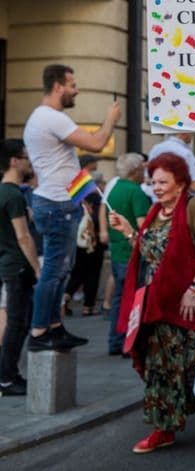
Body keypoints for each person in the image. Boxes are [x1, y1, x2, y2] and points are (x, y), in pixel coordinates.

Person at [110, 153, 195, 454]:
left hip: (189, 303)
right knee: (160, 369)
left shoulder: (194, 206)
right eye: (153, 182)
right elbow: (150, 252)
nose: (156, 187)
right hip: (157, 304)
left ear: (180, 182)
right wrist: (128, 231)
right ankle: (163, 429)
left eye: (163, 182)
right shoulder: (155, 212)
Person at [23, 63, 120, 351]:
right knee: (55, 270)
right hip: (55, 205)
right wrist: (111, 118)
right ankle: (40, 332)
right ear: (57, 87)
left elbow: (63, 167)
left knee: (62, 270)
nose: (76, 90)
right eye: (72, 84)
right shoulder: (51, 118)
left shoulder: (43, 118)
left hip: (59, 203)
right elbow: (97, 143)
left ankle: (53, 326)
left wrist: (82, 203)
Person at [99, 152, 150, 355]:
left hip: (117, 250)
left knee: (119, 298)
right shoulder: (135, 191)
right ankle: (129, 343)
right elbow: (142, 224)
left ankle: (115, 341)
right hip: (132, 252)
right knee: (133, 299)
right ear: (136, 171)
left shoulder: (115, 187)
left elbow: (104, 212)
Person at [0, 139, 40, 395]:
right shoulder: (13, 195)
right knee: (17, 323)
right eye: (25, 157)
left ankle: (9, 374)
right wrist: (37, 267)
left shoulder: (4, 192)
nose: (29, 162)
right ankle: (6, 378)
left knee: (18, 322)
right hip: (17, 266)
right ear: (14, 161)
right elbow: (23, 236)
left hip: (8, 264)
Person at [65, 170, 107, 316]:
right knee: (93, 274)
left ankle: (65, 298)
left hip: (78, 240)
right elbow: (96, 219)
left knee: (78, 272)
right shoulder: (95, 198)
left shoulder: (77, 197)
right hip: (93, 241)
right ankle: (88, 306)